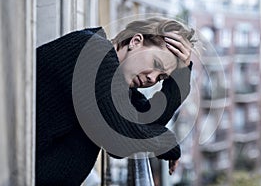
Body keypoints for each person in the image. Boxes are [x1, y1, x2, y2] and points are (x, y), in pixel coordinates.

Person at [36, 17, 195, 185]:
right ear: (135, 41)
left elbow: (147, 120)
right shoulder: (94, 51)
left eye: (161, 77)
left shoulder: (116, 82)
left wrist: (181, 76)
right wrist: (167, 142)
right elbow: (121, 139)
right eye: (156, 64)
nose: (152, 78)